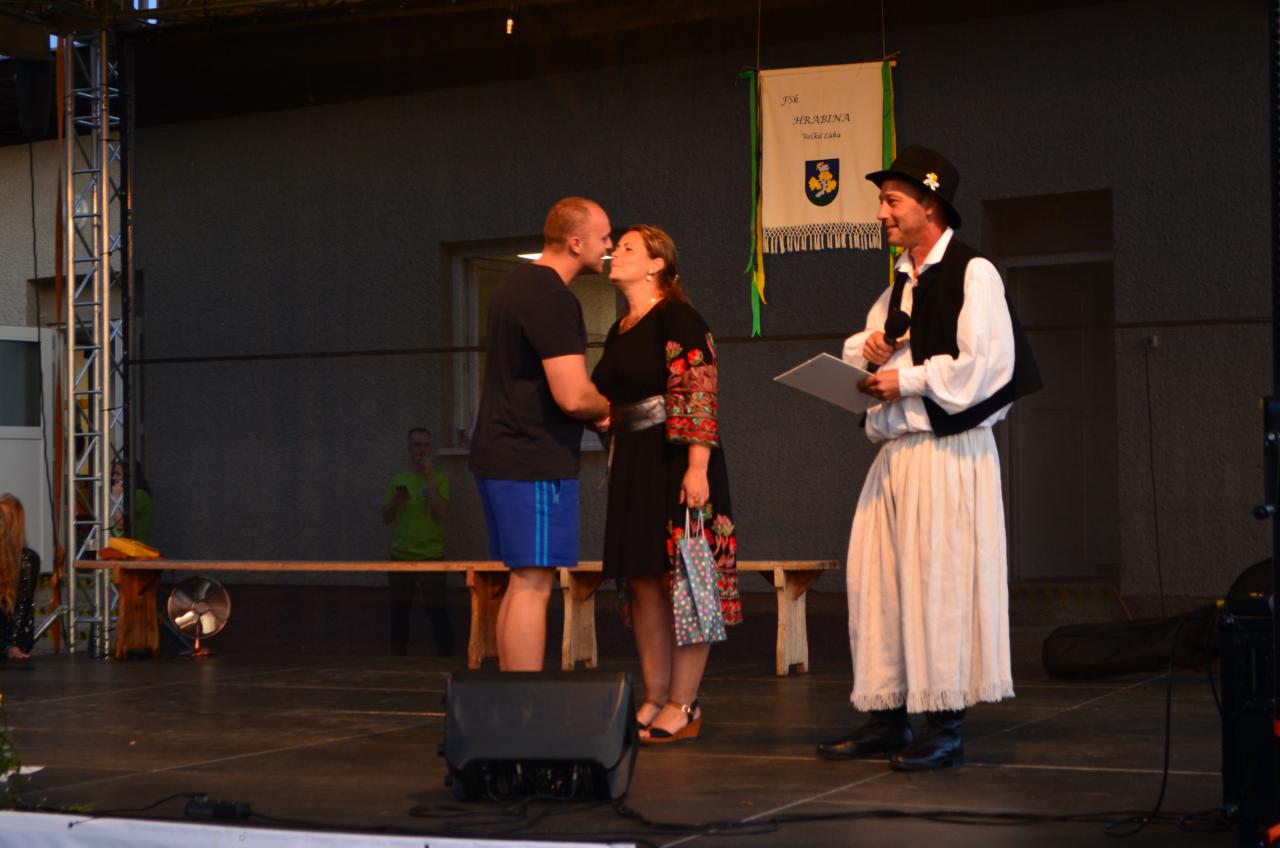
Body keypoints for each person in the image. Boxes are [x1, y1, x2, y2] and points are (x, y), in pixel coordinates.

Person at [816, 146, 1039, 771]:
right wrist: (869, 354)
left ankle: (944, 721)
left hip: (948, 454)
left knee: (940, 582)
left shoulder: (974, 273)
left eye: (892, 201)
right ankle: (887, 715)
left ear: (930, 205)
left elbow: (986, 367)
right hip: (897, 456)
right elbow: (872, 354)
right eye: (881, 201)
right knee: (879, 583)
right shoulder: (899, 284)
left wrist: (905, 379)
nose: (881, 213)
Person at [591, 225, 739, 743]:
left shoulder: (678, 317)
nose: (615, 253)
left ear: (656, 264)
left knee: (687, 581)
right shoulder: (620, 328)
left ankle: (684, 703)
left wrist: (697, 468)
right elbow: (607, 393)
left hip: (676, 460)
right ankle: (655, 697)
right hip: (634, 461)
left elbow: (698, 389)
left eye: (628, 248)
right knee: (643, 580)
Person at [469, 196, 612, 671]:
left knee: (521, 580)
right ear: (576, 242)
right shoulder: (552, 297)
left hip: (501, 453)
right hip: (530, 458)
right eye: (603, 237)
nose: (609, 246)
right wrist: (606, 409)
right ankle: (525, 700)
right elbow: (573, 396)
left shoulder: (515, 284)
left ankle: (513, 700)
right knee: (534, 583)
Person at [381, 427, 454, 656]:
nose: (421, 450)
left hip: (431, 555)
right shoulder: (399, 480)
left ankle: (445, 656)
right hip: (401, 555)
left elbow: (442, 512)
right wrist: (396, 501)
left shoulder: (440, 479)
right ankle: (398, 657)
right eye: (416, 445)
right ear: (408, 449)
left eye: (425, 445)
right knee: (399, 610)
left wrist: (429, 477)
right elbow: (386, 518)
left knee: (437, 609)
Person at [0, 494, 38, 661]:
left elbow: (22, 606)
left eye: (2, 516)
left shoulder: (26, 559)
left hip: (7, 640)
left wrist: (12, 645)